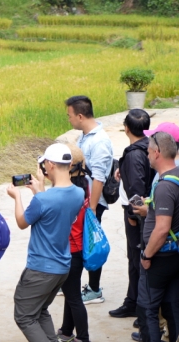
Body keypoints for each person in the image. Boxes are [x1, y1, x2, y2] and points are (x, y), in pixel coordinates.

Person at [8, 143, 84, 342]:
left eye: (44, 164)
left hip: (40, 268)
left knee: (23, 315)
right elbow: (55, 208)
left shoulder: (43, 199)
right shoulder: (78, 193)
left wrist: (18, 197)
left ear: (50, 165)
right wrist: (39, 191)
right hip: (62, 266)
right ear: (69, 165)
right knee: (39, 310)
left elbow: (23, 222)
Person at [134, 132, 179, 342]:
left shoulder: (164, 186)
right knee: (172, 306)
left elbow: (161, 228)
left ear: (157, 153)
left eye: (148, 151)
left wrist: (147, 255)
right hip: (177, 256)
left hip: (160, 257)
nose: (147, 155)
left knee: (147, 309)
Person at [66, 95, 114, 304]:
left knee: (91, 244)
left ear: (80, 115)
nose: (68, 120)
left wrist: (92, 208)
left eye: (69, 116)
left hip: (92, 203)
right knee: (76, 242)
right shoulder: (85, 136)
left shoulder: (100, 141)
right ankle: (70, 283)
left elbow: (99, 178)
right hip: (81, 200)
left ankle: (94, 289)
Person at [109, 109, 156, 320]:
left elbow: (137, 189)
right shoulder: (148, 146)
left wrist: (132, 214)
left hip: (139, 216)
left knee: (138, 260)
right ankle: (133, 301)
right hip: (146, 214)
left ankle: (141, 309)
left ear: (126, 127)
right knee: (136, 260)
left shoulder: (135, 153)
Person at [56, 144, 95, 342]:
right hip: (77, 249)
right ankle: (66, 331)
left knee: (73, 297)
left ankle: (84, 340)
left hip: (71, 250)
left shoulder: (70, 192)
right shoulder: (83, 185)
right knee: (71, 293)